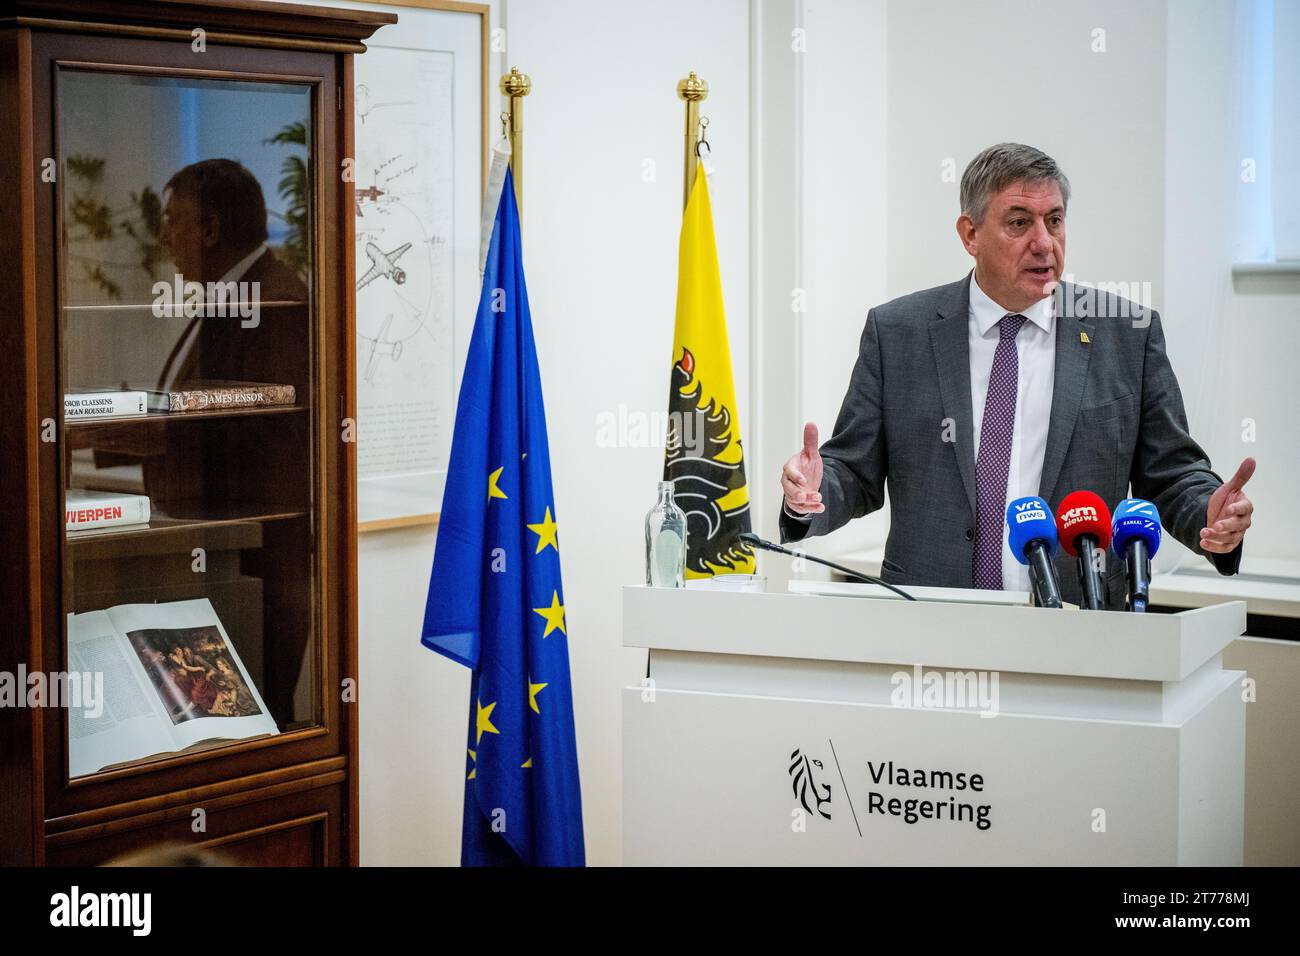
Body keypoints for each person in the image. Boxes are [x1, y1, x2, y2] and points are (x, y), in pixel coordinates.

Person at [779, 143, 1254, 608]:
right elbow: (855, 471)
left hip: (1078, 621)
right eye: (1019, 223)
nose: (1044, 242)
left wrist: (1209, 512)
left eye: (1055, 220)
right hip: (928, 617)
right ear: (970, 235)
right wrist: (813, 492)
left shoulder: (1126, 335)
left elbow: (1171, 475)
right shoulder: (899, 332)